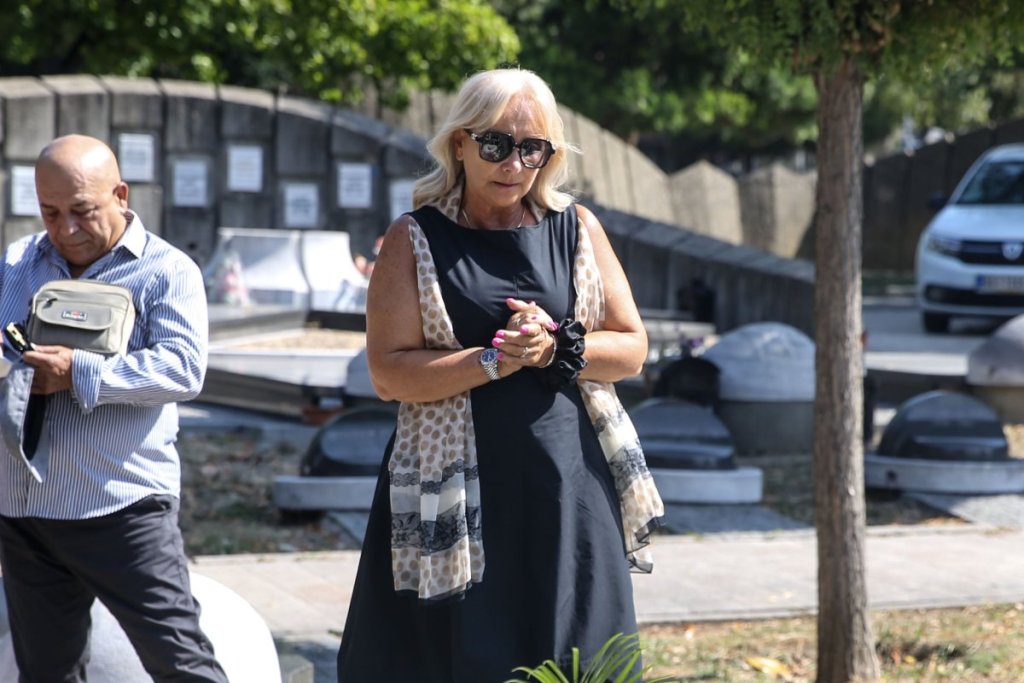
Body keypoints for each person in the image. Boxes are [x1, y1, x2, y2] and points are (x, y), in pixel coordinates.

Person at [337, 68, 664, 682]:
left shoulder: (577, 229)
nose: (513, 164)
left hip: (566, 486)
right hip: (453, 494)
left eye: (531, 148)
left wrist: (552, 348)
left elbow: (631, 349)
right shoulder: (414, 238)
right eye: (495, 144)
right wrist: (493, 360)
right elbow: (388, 374)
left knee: (573, 652)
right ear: (459, 143)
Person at [0, 135, 228, 682]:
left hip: (120, 506)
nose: (66, 229)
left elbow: (183, 368)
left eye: (82, 211)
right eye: (50, 212)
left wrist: (76, 373)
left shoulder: (166, 270)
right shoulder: (16, 261)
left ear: (121, 195)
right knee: (47, 674)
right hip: (23, 510)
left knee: (182, 665)